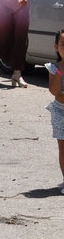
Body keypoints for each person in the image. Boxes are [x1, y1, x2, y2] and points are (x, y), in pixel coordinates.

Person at [44, 30, 64, 193]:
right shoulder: (53, 68)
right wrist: (61, 70)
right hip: (60, 112)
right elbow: (54, 91)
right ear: (56, 47)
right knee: (63, 149)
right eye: (63, 44)